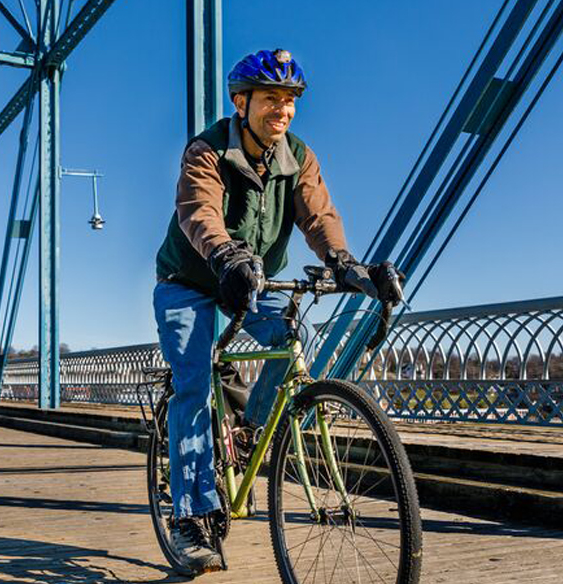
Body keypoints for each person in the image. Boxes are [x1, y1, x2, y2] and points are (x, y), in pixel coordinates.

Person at [152, 49, 404, 575]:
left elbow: (319, 215)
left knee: (297, 338)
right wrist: (225, 254)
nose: (282, 111)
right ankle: (192, 516)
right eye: (271, 99)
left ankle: (251, 429)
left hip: (258, 279)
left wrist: (346, 263)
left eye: (290, 101)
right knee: (194, 384)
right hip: (192, 278)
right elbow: (199, 208)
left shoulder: (299, 156)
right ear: (241, 102)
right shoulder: (208, 150)